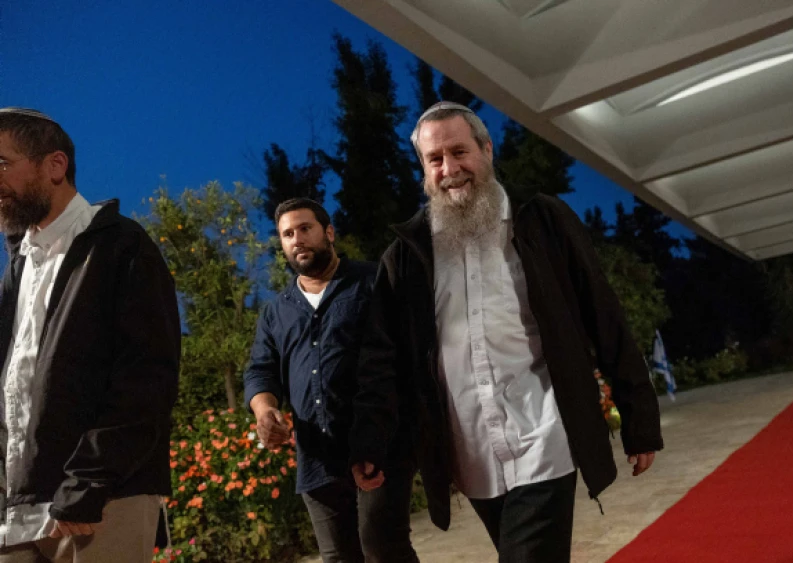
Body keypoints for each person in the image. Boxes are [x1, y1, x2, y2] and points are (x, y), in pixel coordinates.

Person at [349, 102, 664, 562]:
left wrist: (640, 420)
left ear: (486, 148)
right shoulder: (406, 257)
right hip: (471, 453)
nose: (449, 169)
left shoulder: (542, 220)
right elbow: (382, 358)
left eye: (459, 152)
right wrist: (369, 439)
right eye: (434, 160)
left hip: (544, 435)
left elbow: (603, 315)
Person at [0, 107, 180, 562]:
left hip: (101, 503)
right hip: (17, 513)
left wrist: (89, 482)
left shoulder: (122, 246)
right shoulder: (19, 266)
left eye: (1, 163)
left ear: (55, 166)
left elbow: (147, 380)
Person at [243, 198, 418, 563]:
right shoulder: (277, 312)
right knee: (337, 557)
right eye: (287, 234)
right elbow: (261, 369)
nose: (297, 239)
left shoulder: (373, 281)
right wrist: (265, 411)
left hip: (377, 443)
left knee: (383, 547)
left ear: (329, 232)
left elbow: (403, 356)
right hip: (316, 456)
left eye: (305, 228)